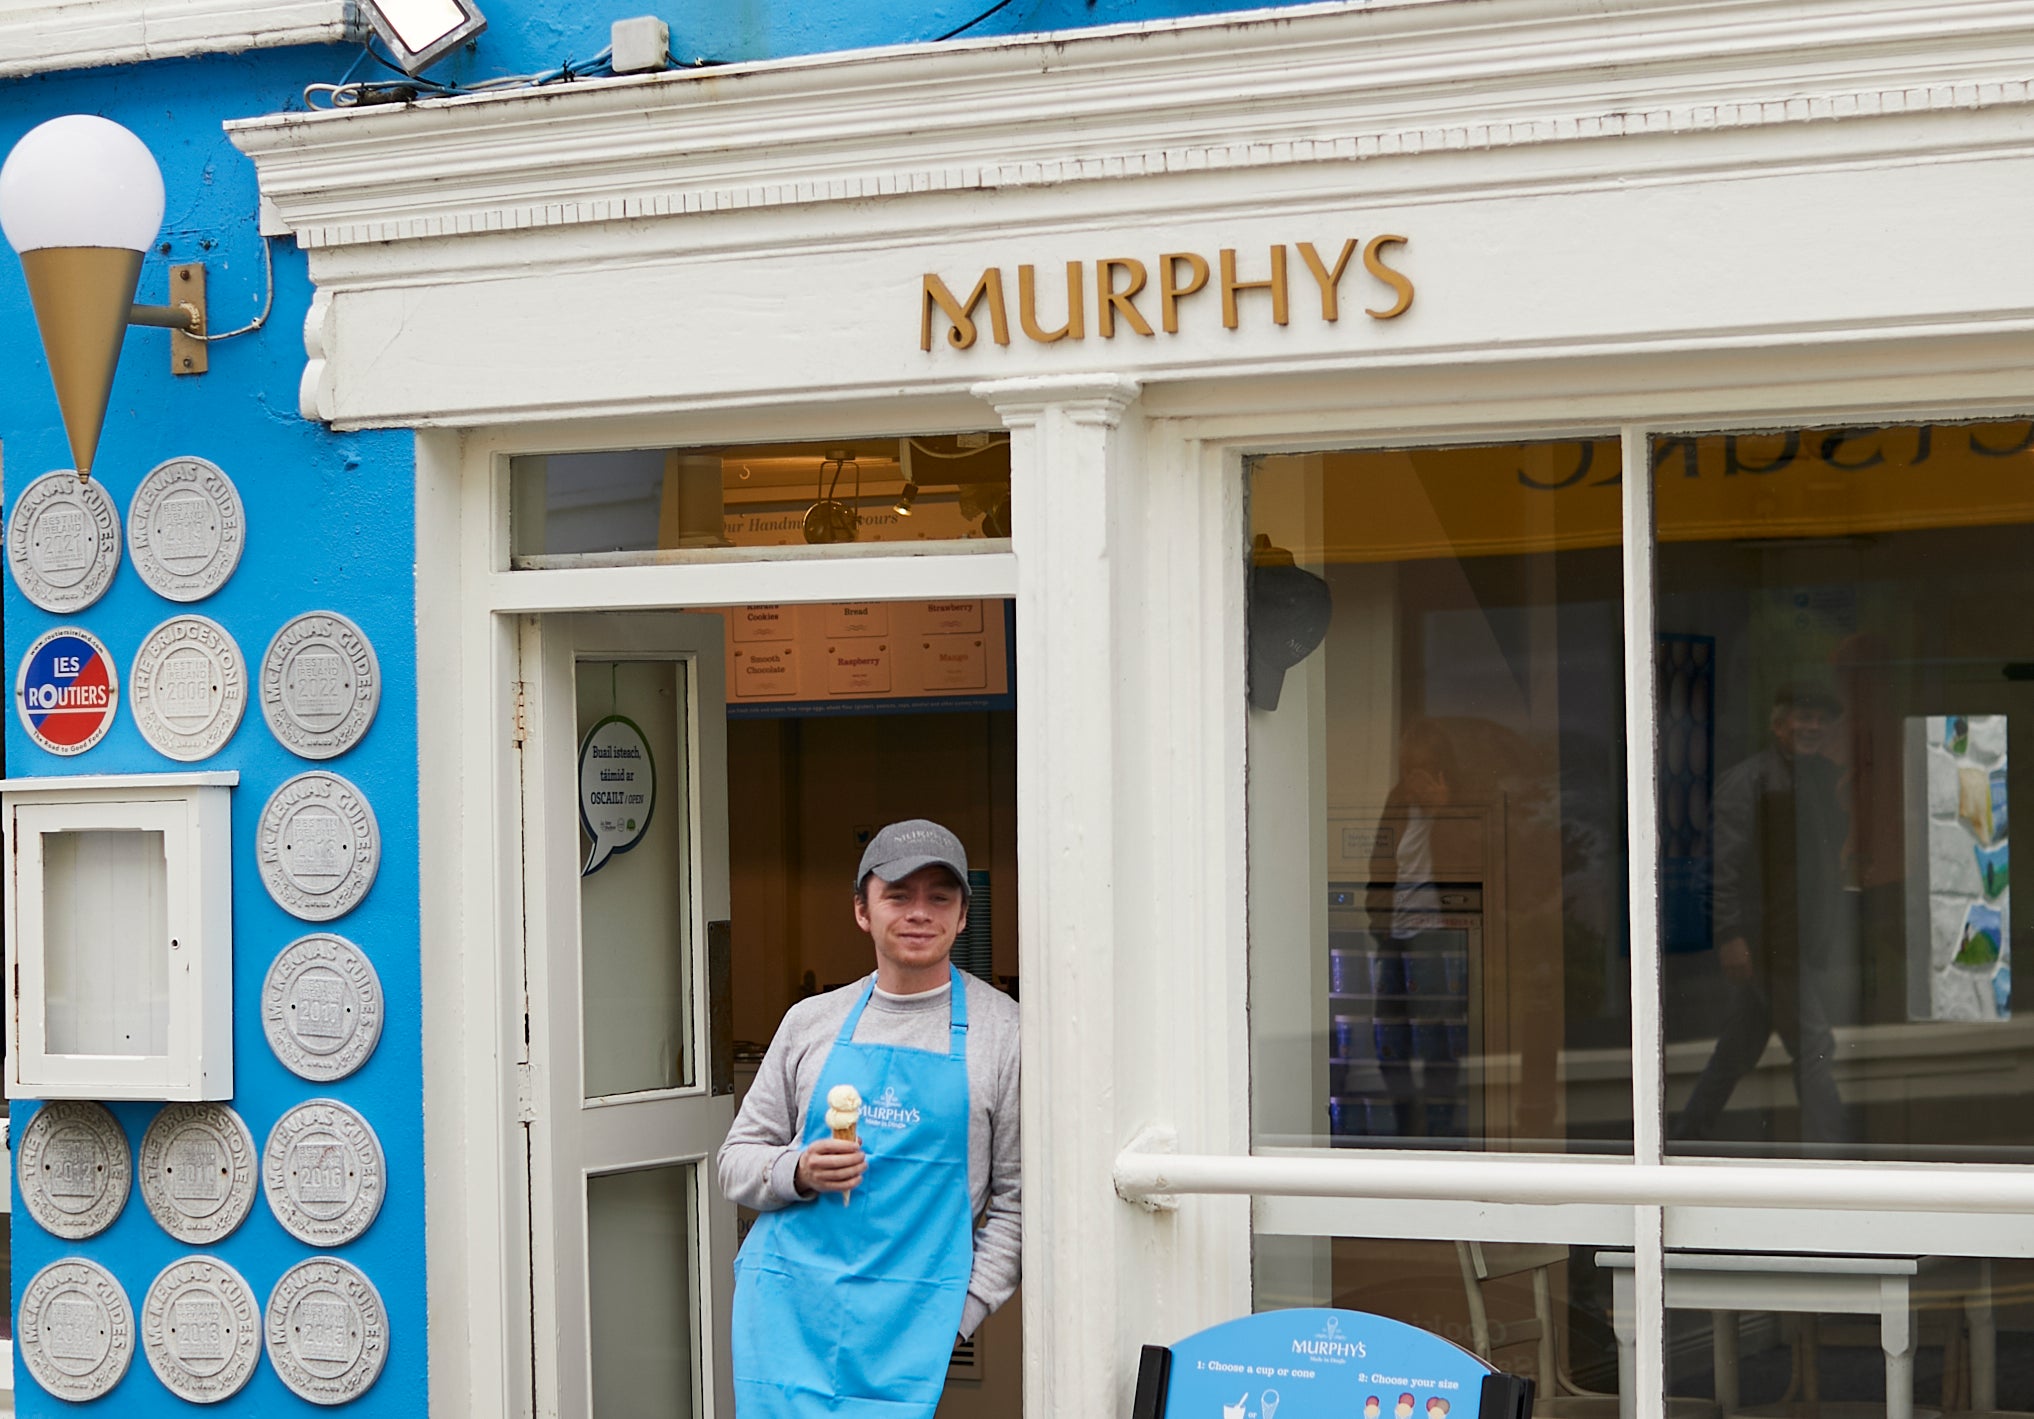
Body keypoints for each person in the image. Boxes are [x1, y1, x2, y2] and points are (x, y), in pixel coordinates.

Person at [717, 819, 1020, 1418]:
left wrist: (956, 1313)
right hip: (787, 1313)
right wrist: (798, 1169)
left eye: (940, 897)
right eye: (898, 895)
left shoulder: (1005, 1034)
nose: (919, 913)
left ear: (963, 916)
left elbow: (1019, 1204)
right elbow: (734, 1162)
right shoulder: (810, 1022)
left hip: (909, 1325)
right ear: (863, 911)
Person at [1675, 681, 1856, 1145]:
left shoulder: (1818, 778)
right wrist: (1730, 935)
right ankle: (1831, 1164)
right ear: (1779, 726)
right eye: (1802, 717)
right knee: (1816, 1047)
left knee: (1737, 1050)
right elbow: (1721, 866)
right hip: (1769, 943)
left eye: (1821, 719)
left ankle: (1685, 1142)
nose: (1812, 727)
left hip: (1794, 940)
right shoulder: (1750, 781)